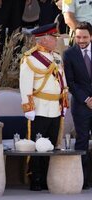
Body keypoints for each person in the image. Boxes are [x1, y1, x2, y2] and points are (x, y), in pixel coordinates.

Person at [19, 23, 69, 191]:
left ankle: (46, 178)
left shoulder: (56, 57)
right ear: (44, 39)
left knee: (50, 145)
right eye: (53, 37)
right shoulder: (30, 58)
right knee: (37, 145)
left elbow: (63, 81)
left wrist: (64, 102)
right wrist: (28, 107)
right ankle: (35, 179)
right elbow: (25, 84)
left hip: (55, 107)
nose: (56, 40)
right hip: (39, 108)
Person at [63, 21, 92, 189]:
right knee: (81, 141)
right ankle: (82, 181)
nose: (81, 40)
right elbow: (71, 82)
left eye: (85, 37)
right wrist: (87, 99)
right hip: (81, 106)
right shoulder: (69, 54)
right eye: (78, 36)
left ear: (91, 36)